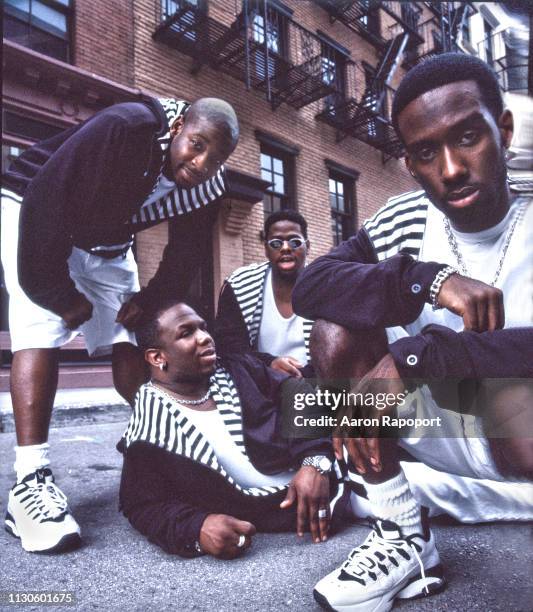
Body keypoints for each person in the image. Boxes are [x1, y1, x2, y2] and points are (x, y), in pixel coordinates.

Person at [292, 53, 533, 611]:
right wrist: (428, 279)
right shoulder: (405, 220)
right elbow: (313, 285)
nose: (450, 169)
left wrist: (420, 355)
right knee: (336, 320)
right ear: (410, 164)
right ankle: (404, 536)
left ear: (504, 130)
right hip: (437, 429)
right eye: (427, 153)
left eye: (468, 137)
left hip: (518, 427)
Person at [2, 96, 239, 553]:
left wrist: (148, 299)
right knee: (42, 327)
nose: (201, 162)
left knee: (137, 336)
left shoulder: (206, 186)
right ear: (178, 127)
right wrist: (58, 293)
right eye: (197, 145)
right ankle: (30, 482)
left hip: (107, 237)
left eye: (216, 158)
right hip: (30, 205)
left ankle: (159, 448)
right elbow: (45, 200)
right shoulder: (126, 128)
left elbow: (186, 251)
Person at [118, 300, 349, 558]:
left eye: (203, 328)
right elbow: (141, 504)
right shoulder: (150, 429)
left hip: (339, 451)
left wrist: (314, 460)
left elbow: (293, 388)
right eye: (187, 333)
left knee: (391, 408)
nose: (205, 338)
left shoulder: (234, 369)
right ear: (157, 357)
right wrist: (197, 529)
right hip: (302, 510)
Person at [215, 210, 313, 378]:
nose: (285, 248)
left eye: (295, 242)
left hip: (318, 386)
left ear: (307, 246)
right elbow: (228, 347)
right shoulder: (241, 284)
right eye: (276, 243)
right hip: (262, 385)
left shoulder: (326, 284)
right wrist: (269, 363)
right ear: (266, 249)